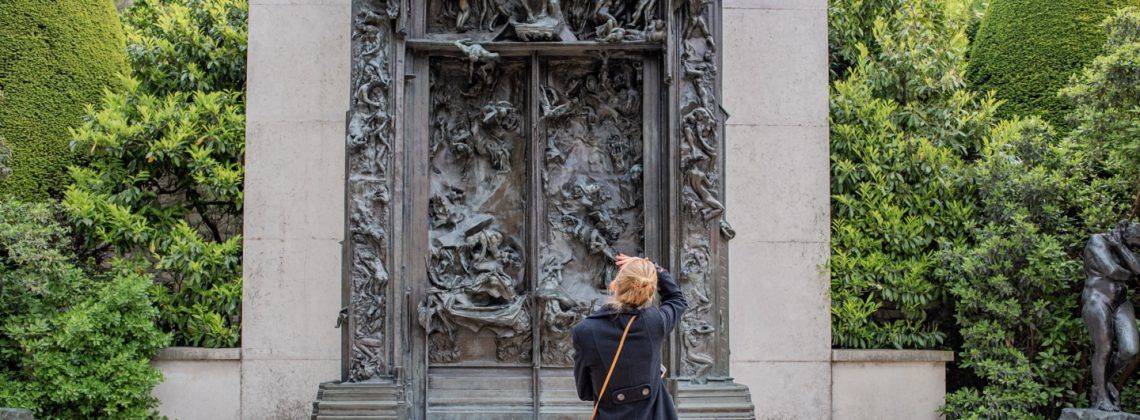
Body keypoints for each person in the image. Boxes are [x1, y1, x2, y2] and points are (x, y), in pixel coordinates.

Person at [572, 253, 688, 420]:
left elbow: (585, 392)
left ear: (614, 285)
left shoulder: (584, 331)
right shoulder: (655, 322)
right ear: (650, 293)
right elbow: (677, 299)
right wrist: (652, 267)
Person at [1082, 221, 1140, 411]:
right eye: (1136, 241)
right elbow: (1112, 270)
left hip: (1121, 302)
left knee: (1130, 350)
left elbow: (1138, 269)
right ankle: (1102, 397)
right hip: (1097, 299)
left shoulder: (1124, 246)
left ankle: (1102, 383)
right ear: (1127, 233)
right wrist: (1129, 272)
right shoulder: (1097, 240)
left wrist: (1120, 247)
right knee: (1104, 348)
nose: (1137, 246)